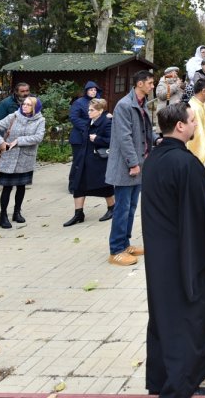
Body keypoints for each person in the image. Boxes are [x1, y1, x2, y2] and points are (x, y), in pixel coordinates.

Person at [142, 101, 205, 396]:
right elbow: (201, 214)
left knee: (165, 319)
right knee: (188, 320)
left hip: (161, 255)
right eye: (192, 121)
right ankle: (180, 385)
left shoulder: (154, 160)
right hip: (187, 257)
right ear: (180, 126)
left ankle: (164, 379)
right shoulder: (186, 164)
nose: (196, 124)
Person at [106, 70, 155, 266]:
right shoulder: (125, 105)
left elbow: (144, 132)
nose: (152, 86)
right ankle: (116, 249)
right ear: (140, 84)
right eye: (150, 83)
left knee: (131, 206)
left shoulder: (141, 104)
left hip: (139, 164)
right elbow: (124, 137)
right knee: (122, 207)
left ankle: (125, 243)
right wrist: (133, 163)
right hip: (127, 166)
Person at [0, 95, 45, 230]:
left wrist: (19, 140)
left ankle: (17, 212)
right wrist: (0, 143)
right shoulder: (13, 116)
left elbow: (38, 137)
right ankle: (3, 215)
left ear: (35, 107)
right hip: (9, 157)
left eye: (29, 105)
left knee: (21, 187)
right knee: (6, 188)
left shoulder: (40, 120)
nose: (25, 106)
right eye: (24, 104)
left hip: (26, 158)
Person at [64, 98, 116, 226]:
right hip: (85, 158)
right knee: (78, 185)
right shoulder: (90, 121)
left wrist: (97, 139)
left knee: (104, 186)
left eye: (91, 110)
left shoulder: (107, 122)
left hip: (99, 159)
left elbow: (112, 140)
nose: (88, 112)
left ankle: (112, 208)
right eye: (88, 109)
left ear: (100, 111)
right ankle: (78, 214)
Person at [67, 81, 100, 212]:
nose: (93, 92)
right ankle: (72, 184)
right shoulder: (79, 103)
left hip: (91, 137)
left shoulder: (97, 103)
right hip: (79, 137)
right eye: (91, 90)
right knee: (77, 161)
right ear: (86, 90)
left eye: (95, 90)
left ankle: (86, 183)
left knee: (89, 160)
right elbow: (74, 118)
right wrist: (87, 127)